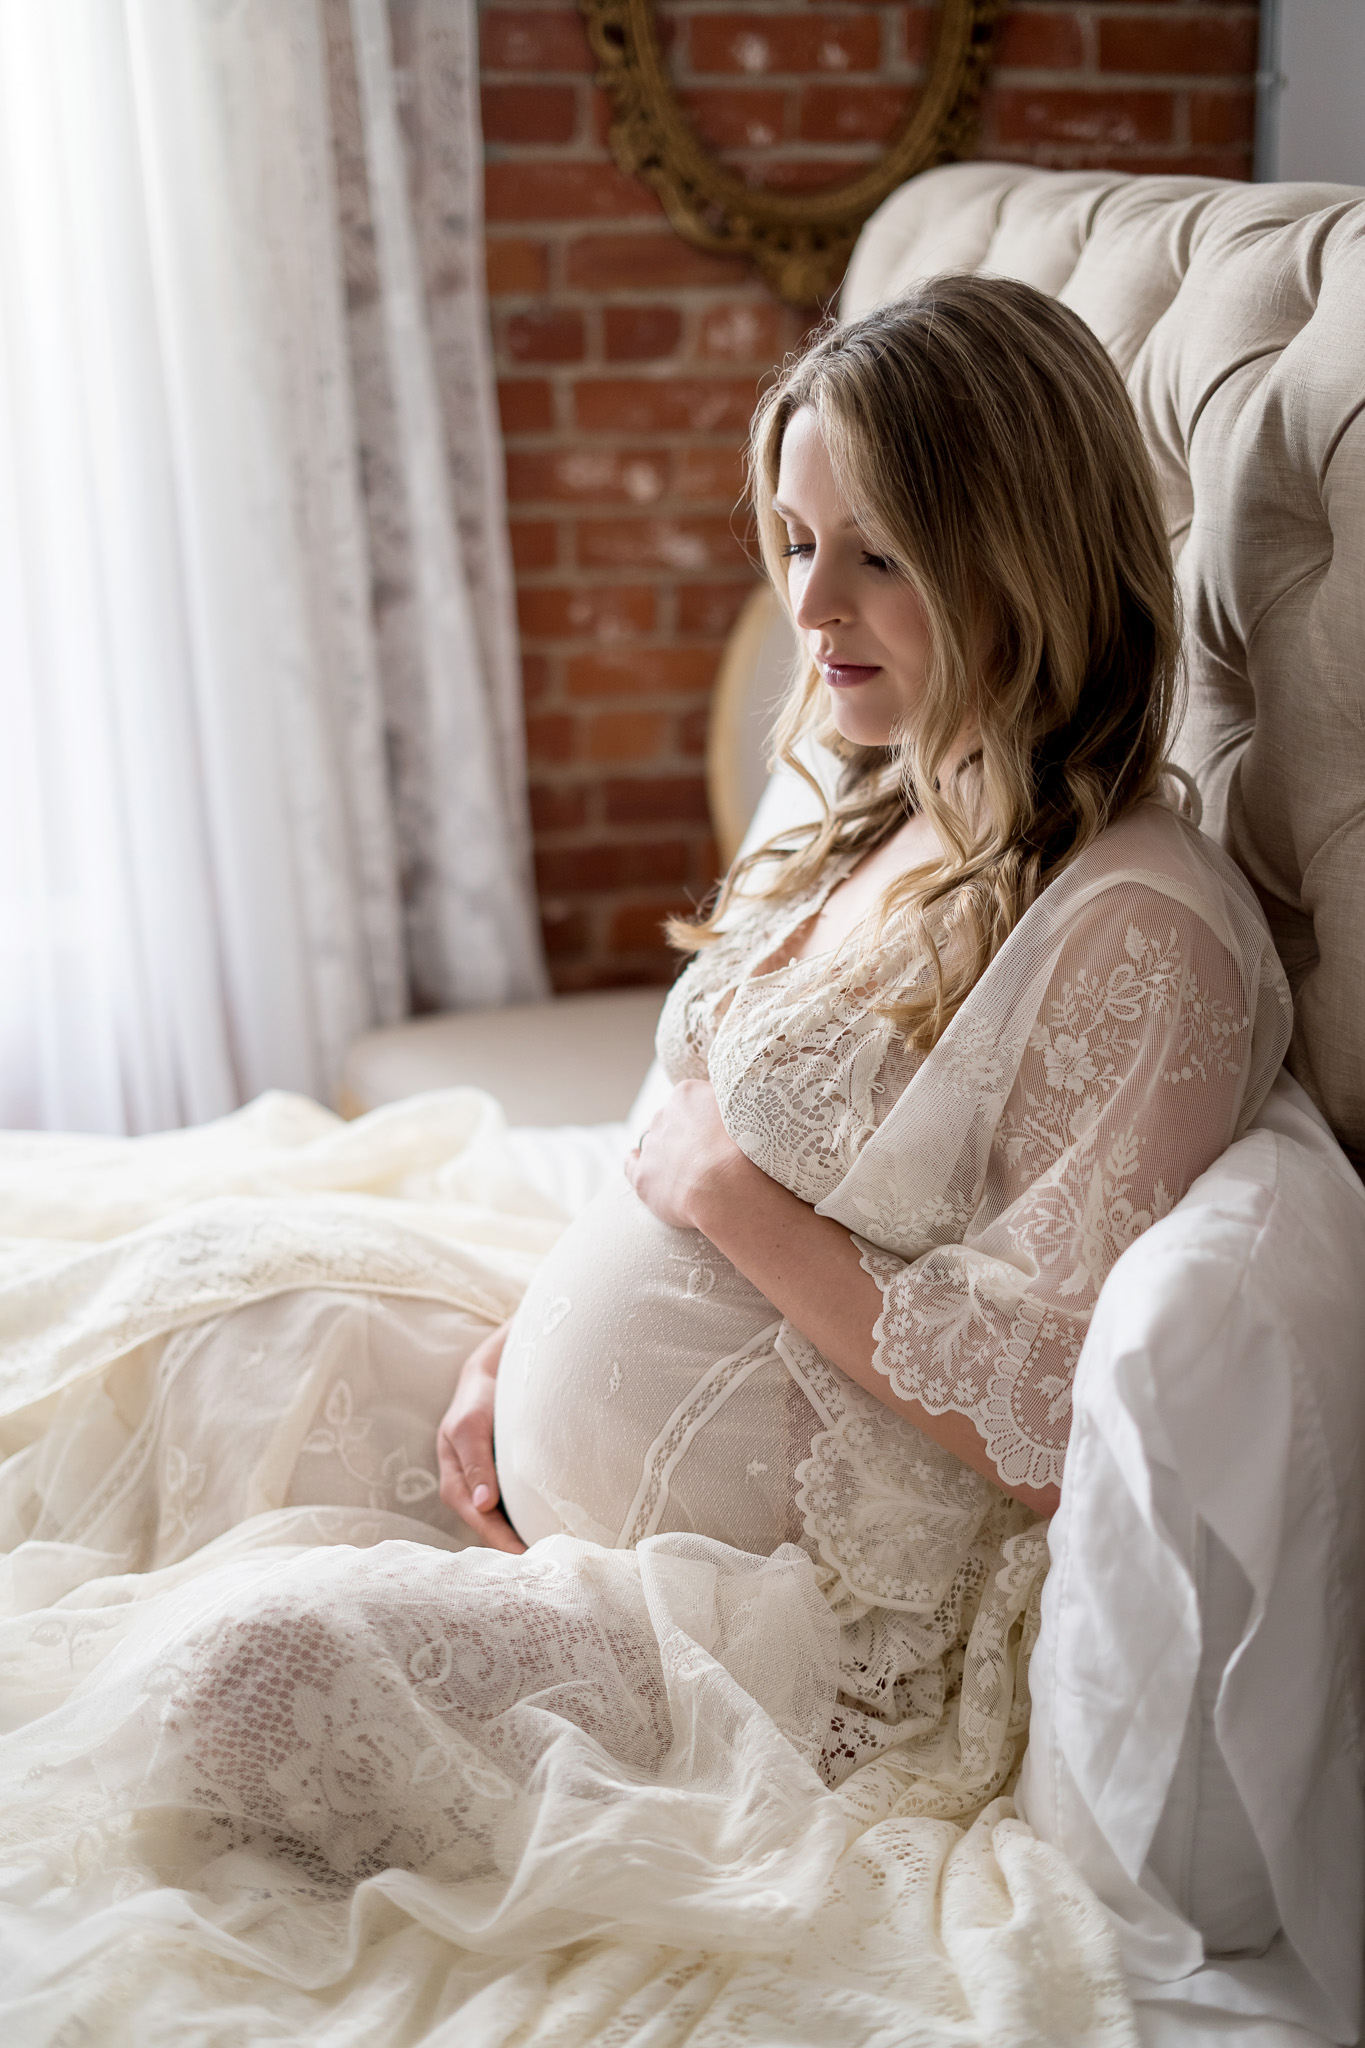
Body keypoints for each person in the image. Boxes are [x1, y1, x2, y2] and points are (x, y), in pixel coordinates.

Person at [0, 277, 1291, 2031]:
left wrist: (726, 1206)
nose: (808, 608)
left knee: (238, 1687)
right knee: (197, 1323)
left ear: (1023, 559)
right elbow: (672, 1138)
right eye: (794, 538)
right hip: (557, 1485)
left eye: (877, 559)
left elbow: (1047, 1408)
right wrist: (517, 1342)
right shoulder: (899, 795)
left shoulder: (1139, 933)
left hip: (771, 1635)